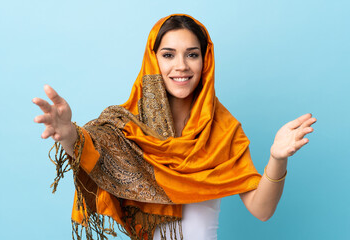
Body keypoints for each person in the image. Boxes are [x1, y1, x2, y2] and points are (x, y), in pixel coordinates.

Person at [33, 14, 316, 240]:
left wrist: (277, 158)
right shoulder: (125, 125)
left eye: (192, 54)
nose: (180, 65)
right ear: (153, 59)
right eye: (168, 55)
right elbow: (92, 150)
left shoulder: (224, 131)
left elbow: (262, 209)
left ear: (205, 61)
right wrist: (68, 133)